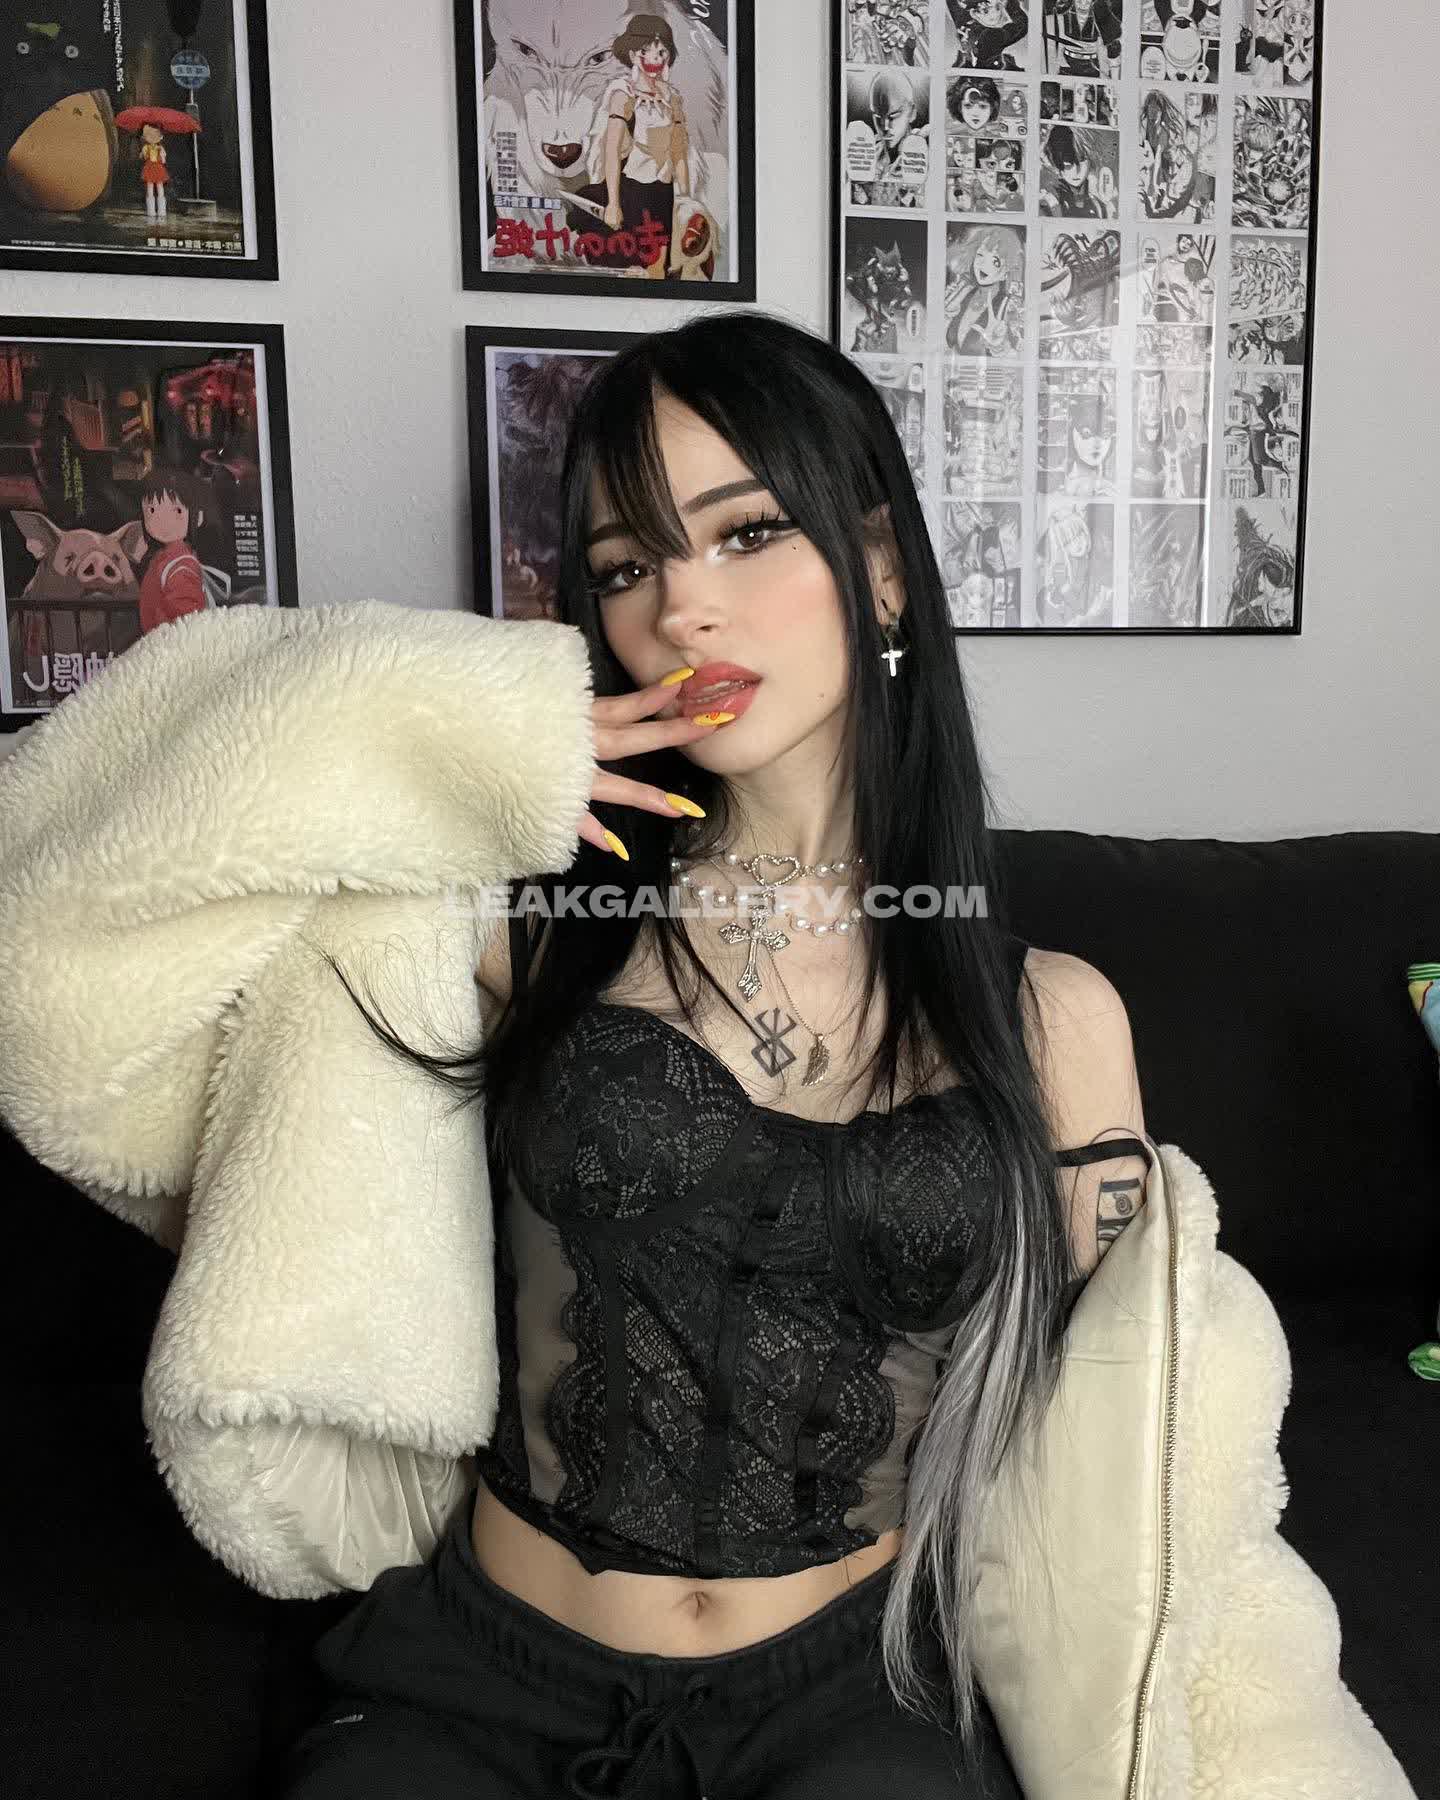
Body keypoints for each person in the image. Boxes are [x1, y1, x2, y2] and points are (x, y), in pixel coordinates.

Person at [263, 313, 1153, 1795]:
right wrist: (491, 746)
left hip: (851, 1692)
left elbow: (1127, 1455)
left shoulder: (1050, 1018)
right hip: (486, 1680)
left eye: (746, 534)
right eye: (627, 566)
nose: (682, 607)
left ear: (880, 568)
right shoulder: (521, 929)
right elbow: (168, 847)